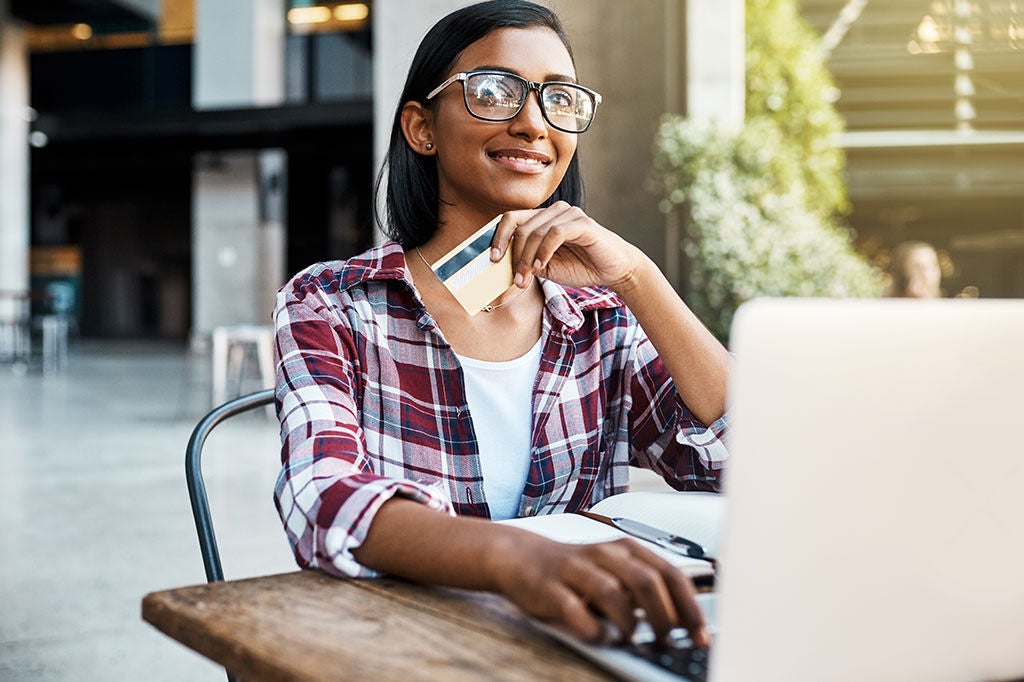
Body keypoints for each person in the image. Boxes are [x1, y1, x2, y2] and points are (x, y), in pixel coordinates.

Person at [272, 0, 730, 648]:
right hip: (396, 649)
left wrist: (638, 278)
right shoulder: (333, 303)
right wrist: (515, 559)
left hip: (572, 646)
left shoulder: (603, 315)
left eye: (559, 99)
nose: (532, 122)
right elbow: (321, 500)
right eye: (494, 91)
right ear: (421, 127)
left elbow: (742, 471)